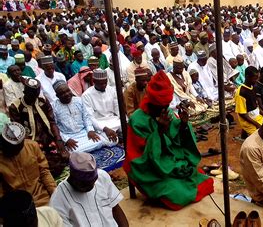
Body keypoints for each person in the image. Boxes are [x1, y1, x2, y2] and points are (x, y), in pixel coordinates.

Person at [123, 71, 214, 210]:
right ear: (152, 102)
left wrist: (183, 125)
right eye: (161, 107)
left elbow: (177, 142)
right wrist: (159, 132)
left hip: (171, 163)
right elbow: (141, 158)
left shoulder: (167, 112)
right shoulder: (137, 120)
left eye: (166, 106)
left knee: (204, 181)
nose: (165, 110)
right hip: (150, 170)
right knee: (177, 194)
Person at [50, 152, 129, 226]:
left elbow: (115, 208)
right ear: (73, 177)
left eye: (93, 181)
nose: (92, 186)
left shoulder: (102, 176)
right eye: (86, 184)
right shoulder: (58, 200)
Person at [9, 78, 68, 177]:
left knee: (63, 158)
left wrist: (59, 142)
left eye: (36, 94)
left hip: (48, 138)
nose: (34, 98)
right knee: (38, 164)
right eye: (31, 95)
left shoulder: (42, 100)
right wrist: (29, 148)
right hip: (29, 141)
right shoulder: (15, 106)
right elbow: (18, 131)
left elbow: (52, 122)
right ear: (24, 92)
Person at [0, 121, 57, 207]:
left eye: (19, 146)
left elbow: (44, 172)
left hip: (42, 198)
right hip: (18, 208)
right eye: (12, 147)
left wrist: (55, 194)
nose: (17, 149)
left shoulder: (32, 146)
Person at [52, 80, 116, 152]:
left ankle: (84, 149)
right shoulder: (53, 107)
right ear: (57, 96)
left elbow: (86, 117)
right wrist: (66, 140)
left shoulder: (78, 100)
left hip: (84, 133)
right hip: (70, 137)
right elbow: (55, 127)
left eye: (68, 91)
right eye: (62, 93)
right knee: (73, 151)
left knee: (112, 140)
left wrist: (90, 130)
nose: (67, 94)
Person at [82, 69, 121, 143]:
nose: (104, 86)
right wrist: (105, 129)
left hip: (114, 120)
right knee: (111, 142)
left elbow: (117, 108)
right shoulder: (86, 95)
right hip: (100, 123)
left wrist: (124, 121)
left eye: (105, 83)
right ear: (94, 81)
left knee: (130, 129)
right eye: (100, 83)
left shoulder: (111, 90)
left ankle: (119, 134)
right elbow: (90, 117)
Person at [235, 66, 263, 136]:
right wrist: (257, 124)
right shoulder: (241, 92)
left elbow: (255, 104)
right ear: (248, 77)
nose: (257, 81)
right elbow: (242, 114)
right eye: (255, 78)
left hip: (257, 117)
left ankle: (244, 135)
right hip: (248, 121)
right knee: (261, 137)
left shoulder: (253, 86)